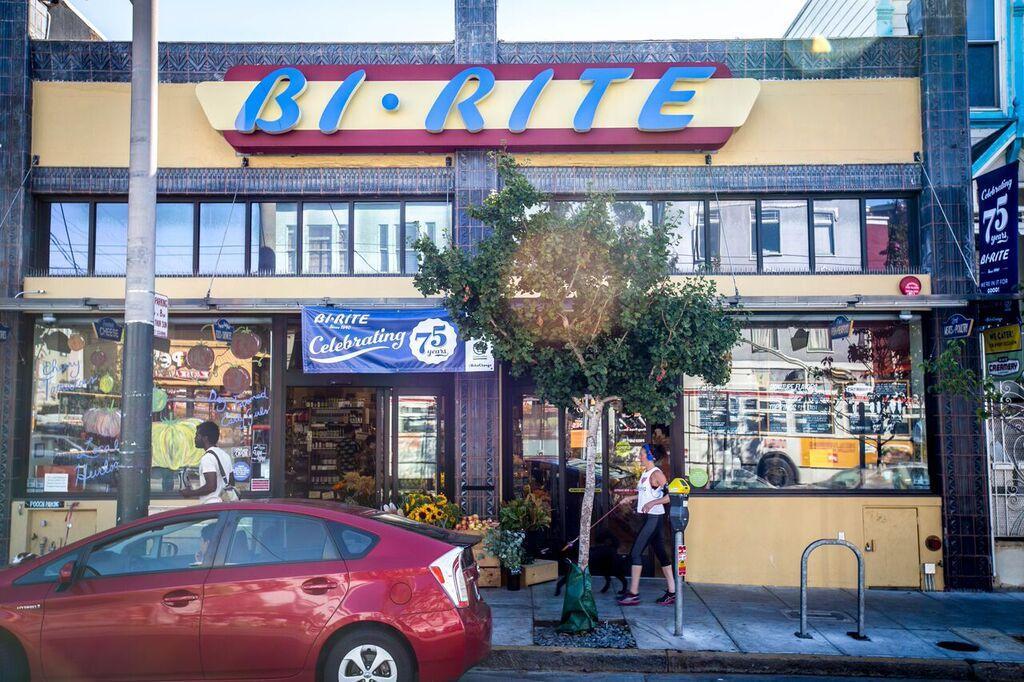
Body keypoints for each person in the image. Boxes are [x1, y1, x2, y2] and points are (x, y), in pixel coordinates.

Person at [616, 443, 676, 606]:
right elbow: (645, 494)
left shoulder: (657, 473)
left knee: (635, 553)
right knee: (662, 554)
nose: (640, 456)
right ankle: (672, 592)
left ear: (651, 457)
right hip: (648, 518)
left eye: (642, 454)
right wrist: (631, 498)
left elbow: (671, 496)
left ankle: (633, 594)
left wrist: (653, 503)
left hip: (653, 518)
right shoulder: (645, 473)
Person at [181, 421, 233, 504]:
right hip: (223, 505)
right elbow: (231, 482)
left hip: (211, 506)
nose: (195, 438)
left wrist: (190, 493)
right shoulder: (225, 455)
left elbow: (211, 486)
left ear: (205, 438)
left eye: (197, 435)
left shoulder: (208, 458)